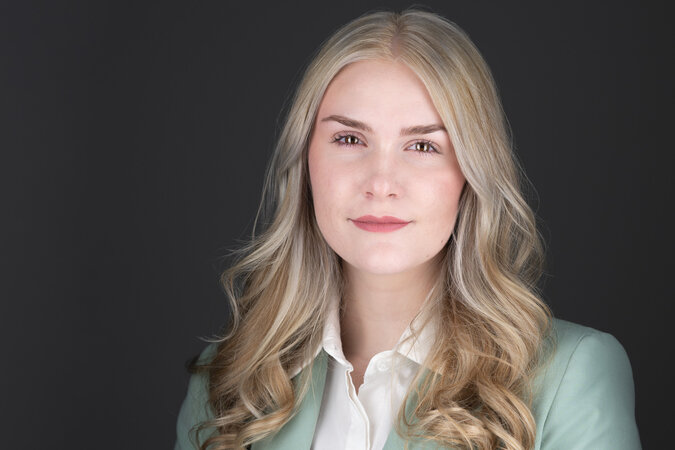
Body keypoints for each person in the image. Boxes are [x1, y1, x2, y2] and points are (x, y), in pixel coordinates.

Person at [174, 8, 641, 450]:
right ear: (305, 160)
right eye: (349, 139)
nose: (381, 183)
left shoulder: (570, 376)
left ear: (471, 172)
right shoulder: (230, 378)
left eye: (422, 146)